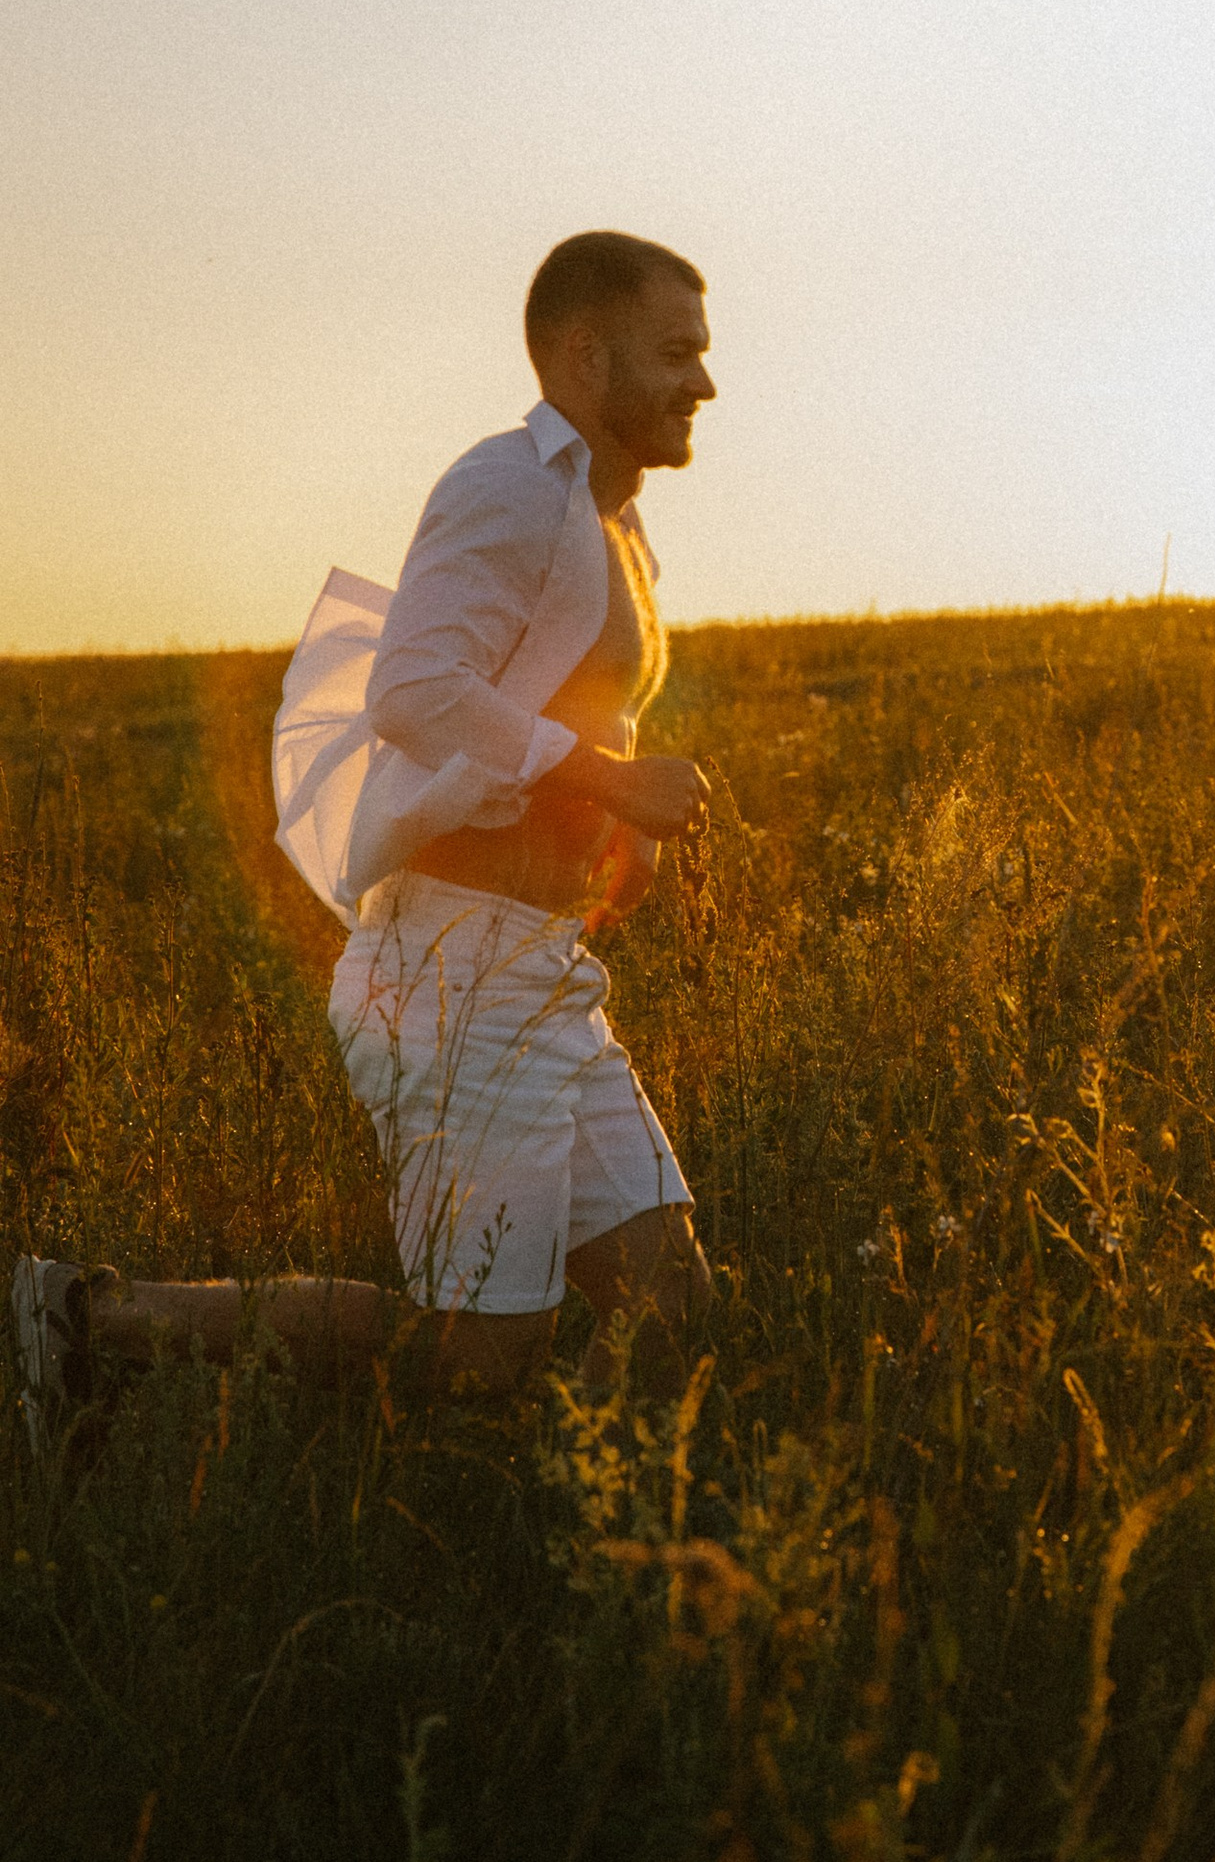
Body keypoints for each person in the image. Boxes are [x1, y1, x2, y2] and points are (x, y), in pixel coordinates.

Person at [14, 232, 719, 1445]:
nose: (703, 383)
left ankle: (578, 1525)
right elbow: (413, 689)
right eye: (675, 354)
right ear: (582, 353)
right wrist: (609, 781)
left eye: (702, 355)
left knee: (670, 1303)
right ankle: (82, 1318)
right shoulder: (507, 485)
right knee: (473, 1359)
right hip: (451, 977)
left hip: (544, 974)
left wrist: (615, 826)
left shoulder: (615, 523)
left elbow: (562, 694)